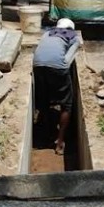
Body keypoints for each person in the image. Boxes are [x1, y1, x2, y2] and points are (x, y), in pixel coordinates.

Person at [33, 18, 81, 155]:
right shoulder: (72, 35)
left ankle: (46, 134)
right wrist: (63, 65)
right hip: (58, 68)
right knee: (67, 104)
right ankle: (59, 141)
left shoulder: (47, 33)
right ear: (70, 28)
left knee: (43, 101)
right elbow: (69, 56)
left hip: (37, 65)